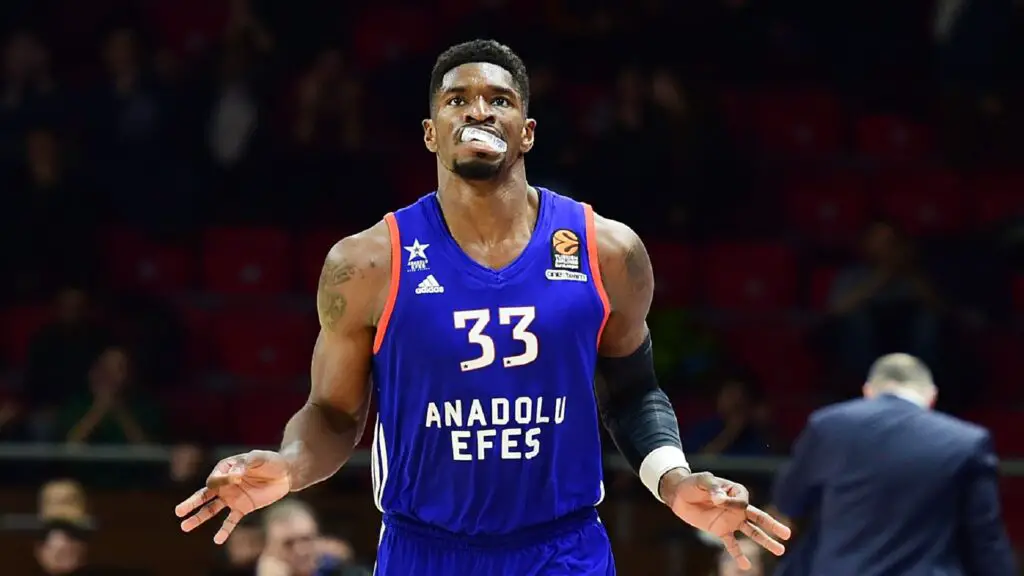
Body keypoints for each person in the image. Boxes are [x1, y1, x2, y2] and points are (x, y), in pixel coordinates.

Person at [175, 39, 789, 575]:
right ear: (430, 132)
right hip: (425, 549)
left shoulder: (607, 251)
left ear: (526, 131)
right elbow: (334, 413)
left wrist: (674, 480)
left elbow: (634, 391)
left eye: (499, 99)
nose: (478, 110)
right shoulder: (365, 264)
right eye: (457, 100)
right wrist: (288, 467)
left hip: (562, 548)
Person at [772, 353, 1017, 576]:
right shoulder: (967, 442)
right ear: (932, 396)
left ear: (868, 391)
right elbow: (986, 539)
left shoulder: (826, 425)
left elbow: (788, 501)